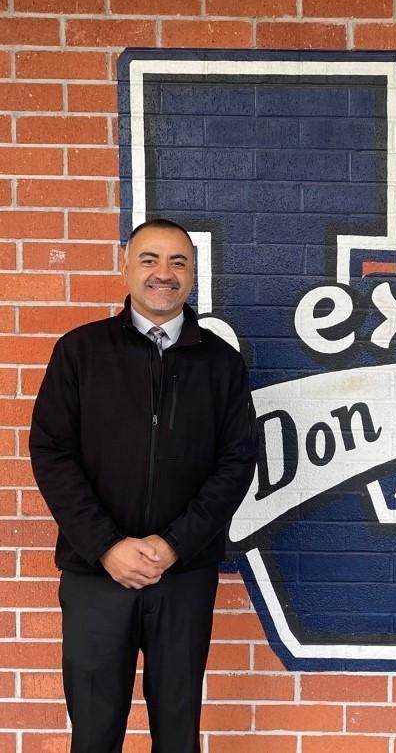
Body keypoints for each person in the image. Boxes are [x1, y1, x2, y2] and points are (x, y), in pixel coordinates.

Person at [29, 217, 258, 753]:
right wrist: (107, 545)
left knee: (177, 734)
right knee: (94, 732)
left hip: (183, 576)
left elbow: (237, 462)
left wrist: (175, 544)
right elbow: (52, 453)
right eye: (149, 259)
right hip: (95, 575)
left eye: (178, 262)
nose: (164, 273)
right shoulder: (80, 352)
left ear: (193, 274)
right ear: (126, 267)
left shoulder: (221, 364)